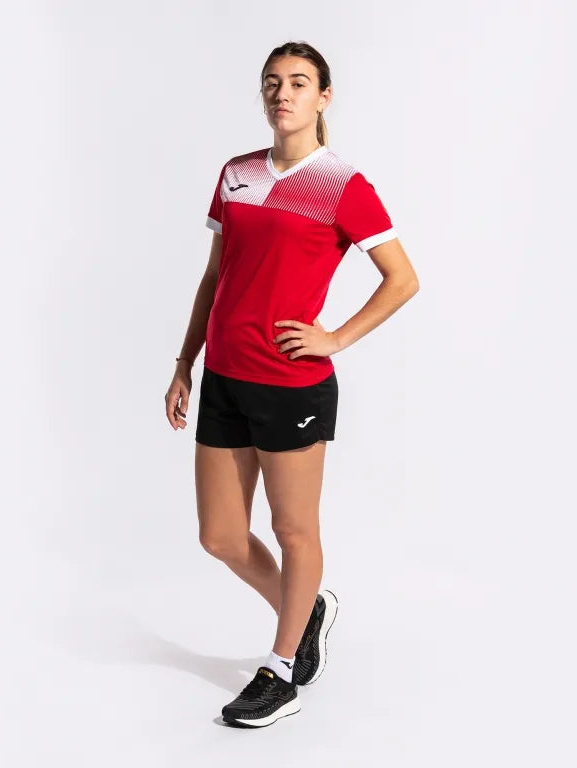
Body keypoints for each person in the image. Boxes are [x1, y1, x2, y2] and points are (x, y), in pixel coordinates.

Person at [165, 40, 419, 728]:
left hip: (291, 383)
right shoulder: (237, 173)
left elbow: (402, 279)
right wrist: (185, 361)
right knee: (220, 536)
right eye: (273, 82)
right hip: (224, 376)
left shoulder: (342, 184)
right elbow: (216, 276)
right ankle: (306, 610)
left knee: (291, 527)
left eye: (299, 82)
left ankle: (281, 670)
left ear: (323, 97)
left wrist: (335, 337)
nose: (284, 94)